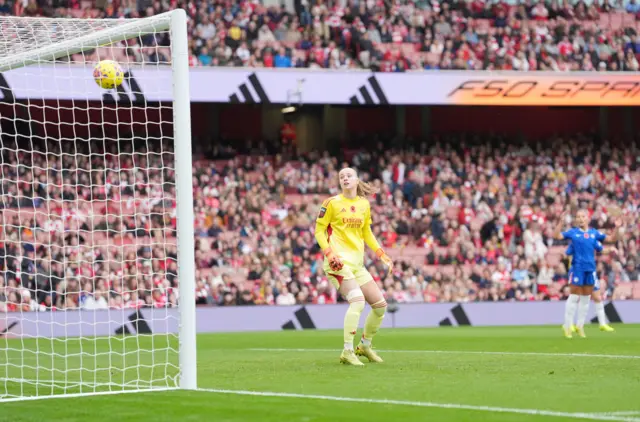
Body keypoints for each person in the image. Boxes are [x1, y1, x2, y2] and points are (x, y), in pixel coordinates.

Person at [315, 167, 393, 366]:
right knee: (357, 302)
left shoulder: (364, 204)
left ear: (357, 180)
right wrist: (329, 253)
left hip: (357, 265)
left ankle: (364, 346)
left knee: (380, 306)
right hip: (337, 263)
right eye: (341, 176)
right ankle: (347, 351)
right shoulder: (331, 203)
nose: (345, 178)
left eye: (349, 175)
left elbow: (366, 232)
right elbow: (319, 231)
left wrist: (381, 253)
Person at [554, 209, 618, 338]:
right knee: (573, 297)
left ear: (588, 218)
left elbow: (611, 238)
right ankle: (567, 326)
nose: (580, 219)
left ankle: (580, 326)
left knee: (586, 299)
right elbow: (557, 236)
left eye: (582, 216)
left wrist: (617, 227)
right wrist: (560, 222)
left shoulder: (593, 234)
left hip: (591, 269)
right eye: (577, 216)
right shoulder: (573, 232)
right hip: (578, 269)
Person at [565, 243, 615, 333]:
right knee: (575, 297)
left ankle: (601, 324)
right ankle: (568, 324)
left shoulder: (591, 238)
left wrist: (610, 249)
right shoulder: (576, 240)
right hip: (578, 271)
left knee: (596, 297)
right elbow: (569, 254)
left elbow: (600, 249)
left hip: (590, 271)